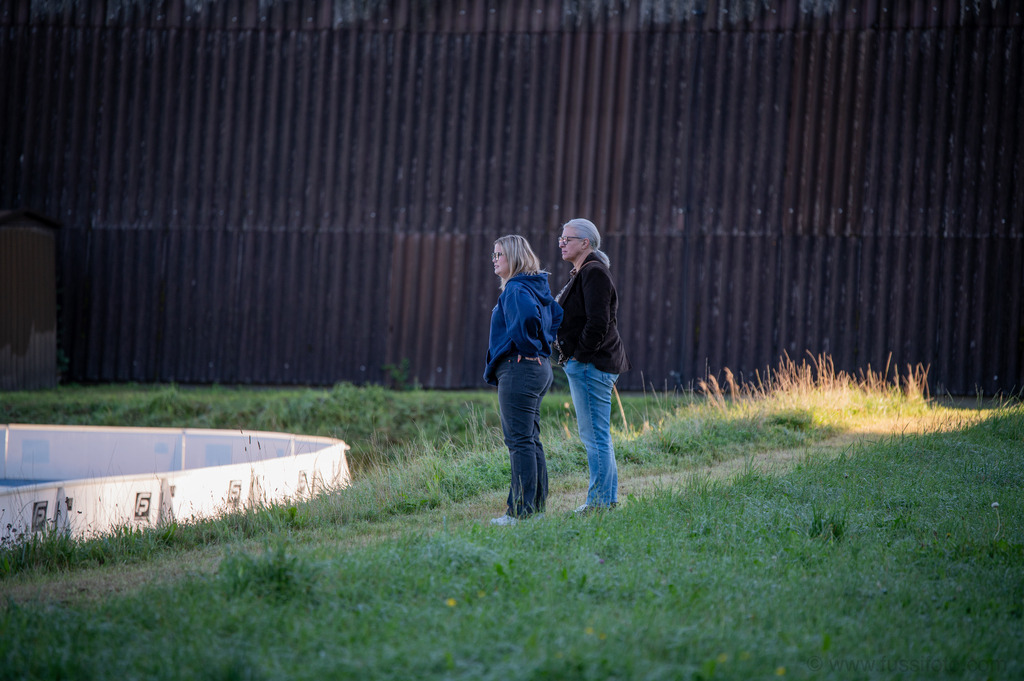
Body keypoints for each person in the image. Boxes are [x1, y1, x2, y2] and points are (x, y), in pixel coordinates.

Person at [484, 235, 563, 526]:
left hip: (520, 368)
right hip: (538, 368)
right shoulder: (535, 285)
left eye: (499, 255)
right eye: (493, 255)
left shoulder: (516, 289)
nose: (494, 260)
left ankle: (520, 512)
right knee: (530, 440)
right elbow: (557, 314)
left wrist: (530, 346)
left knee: (519, 441)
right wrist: (544, 346)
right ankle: (536, 509)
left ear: (514, 257)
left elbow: (531, 317)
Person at [555, 218, 631, 514]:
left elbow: (599, 322)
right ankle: (606, 501)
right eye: (560, 238)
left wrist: (579, 356)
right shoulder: (586, 271)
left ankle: (600, 504)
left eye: (568, 239)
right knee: (598, 435)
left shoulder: (594, 272)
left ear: (586, 243)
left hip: (592, 365)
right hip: (592, 364)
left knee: (595, 436)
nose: (561, 243)